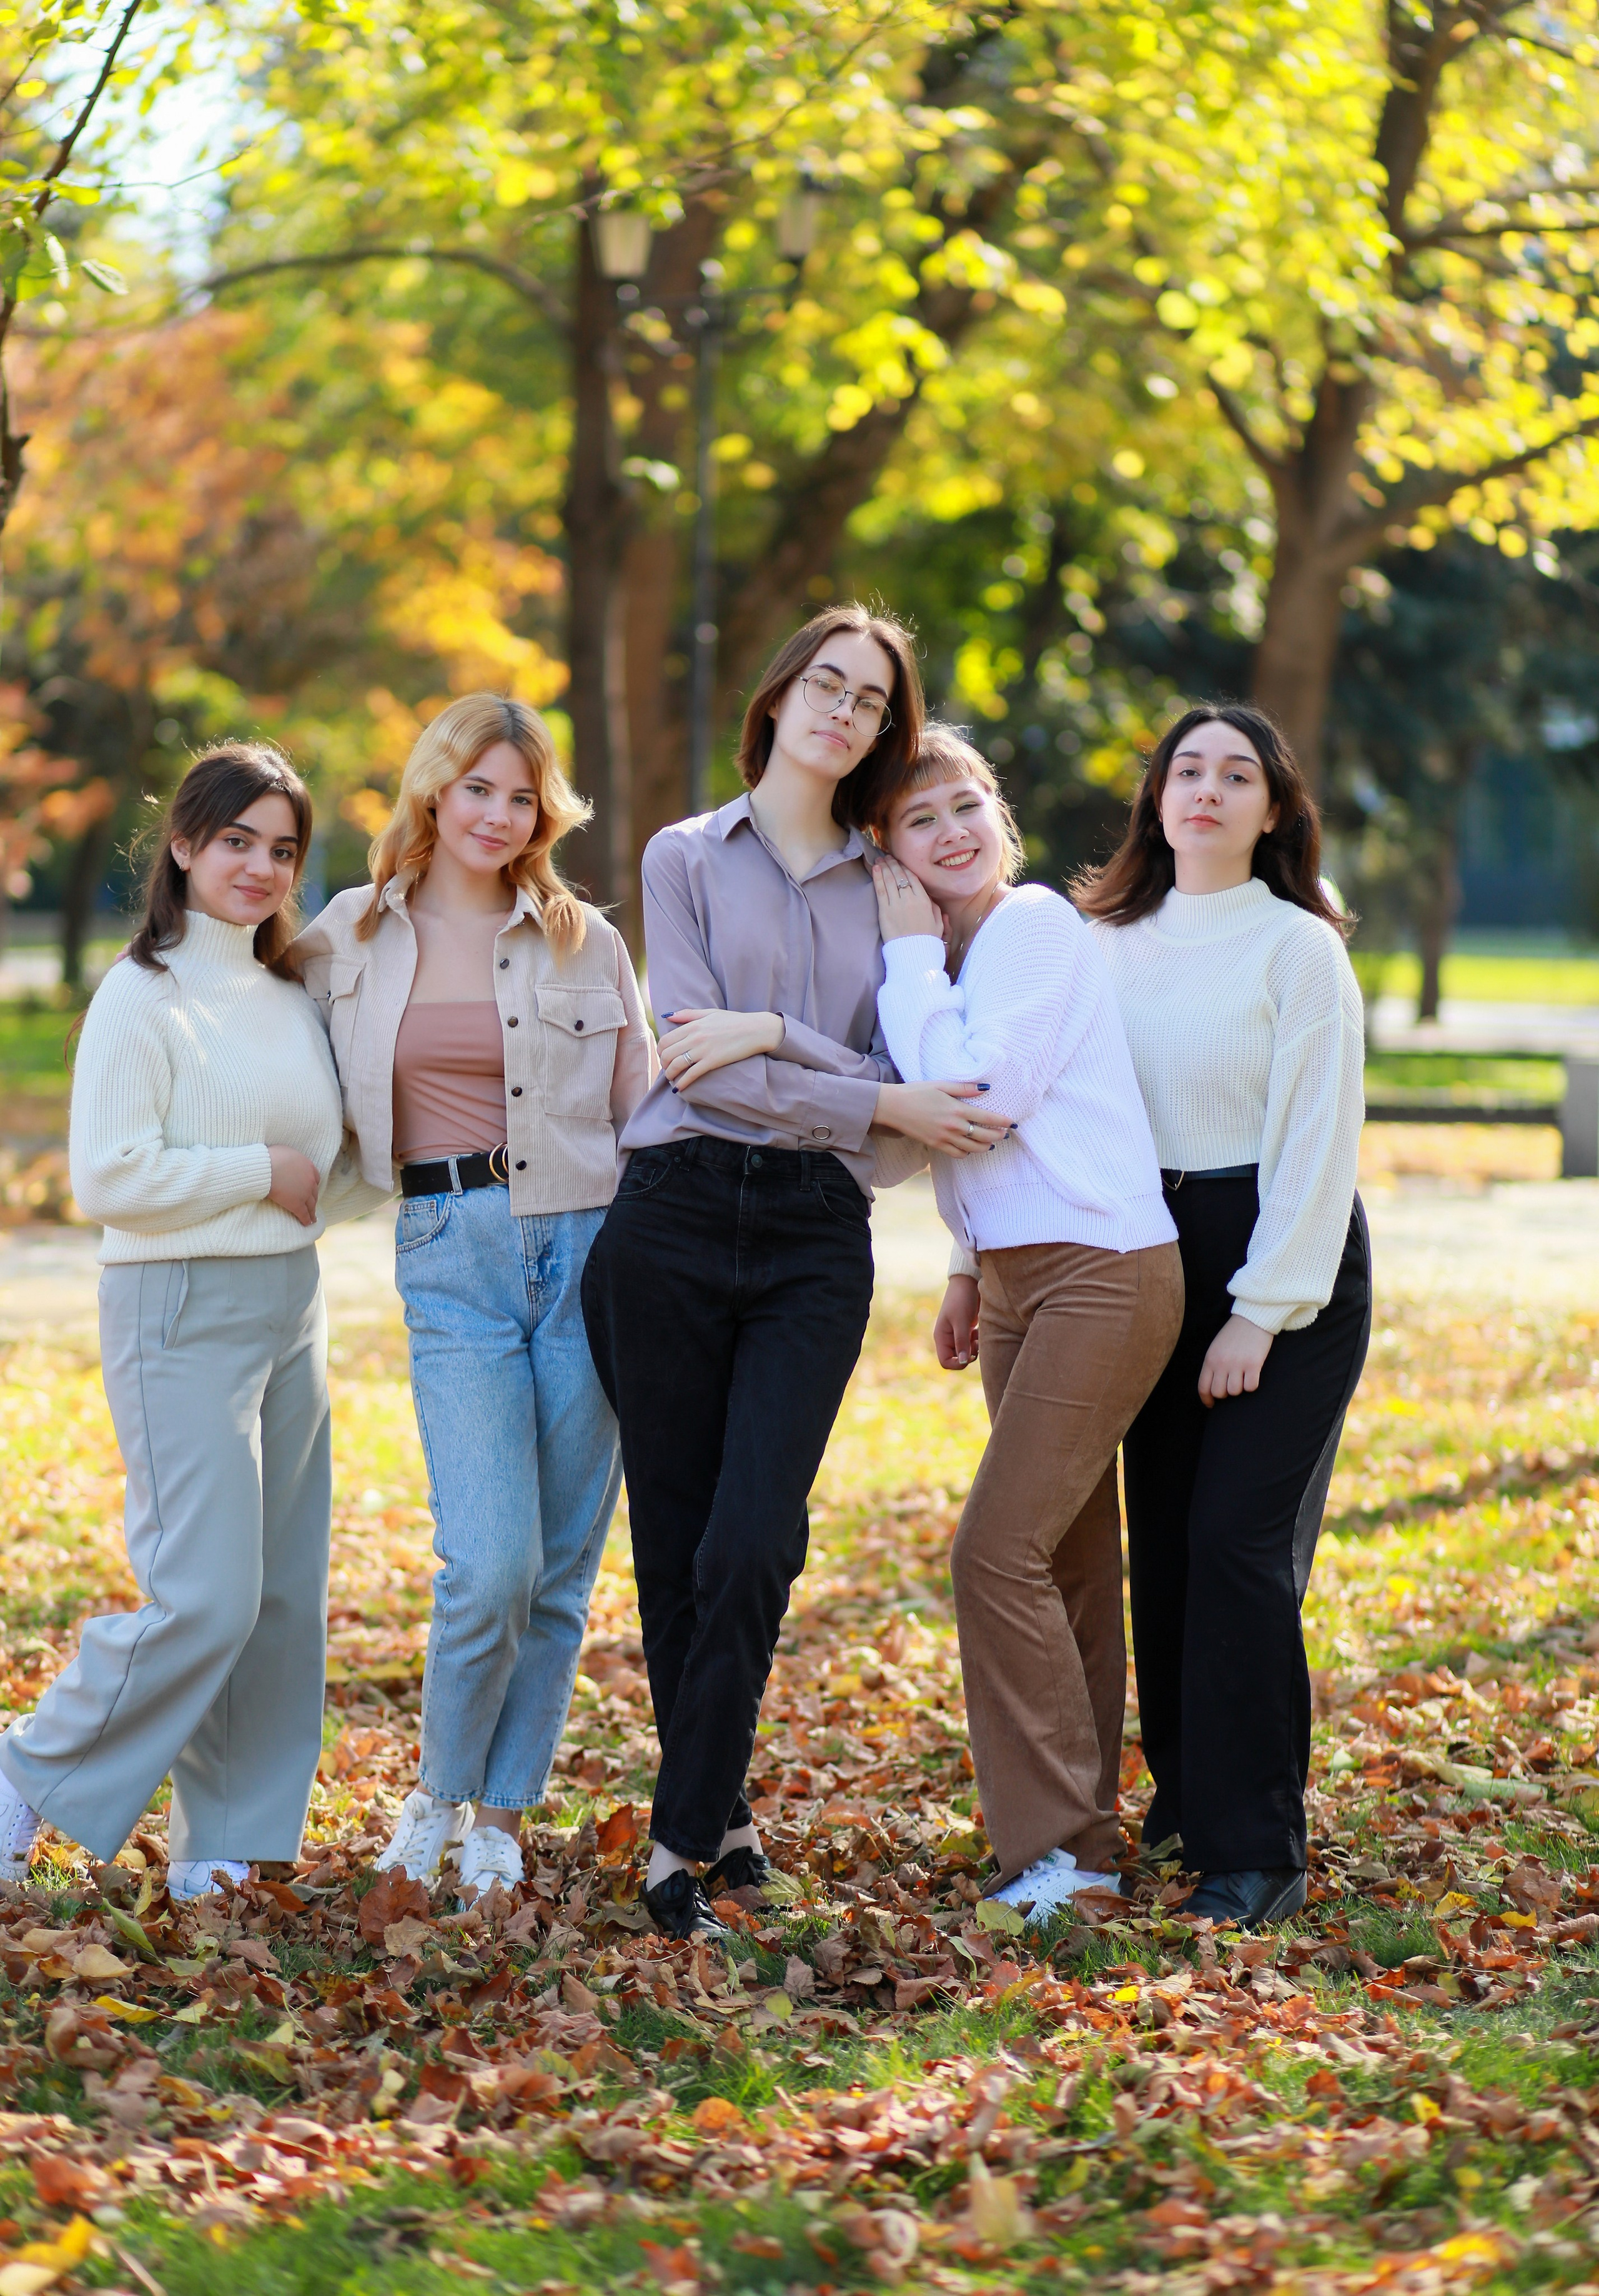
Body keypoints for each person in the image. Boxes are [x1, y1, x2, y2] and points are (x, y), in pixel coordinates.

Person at [581, 605, 1012, 1941]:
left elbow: (917, 1079)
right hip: (666, 1213)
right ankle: (716, 1828)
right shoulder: (681, 856)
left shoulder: (897, 889)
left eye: (872, 700)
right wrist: (860, 1093)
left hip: (814, 1242)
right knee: (675, 1544)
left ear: (886, 726)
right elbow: (694, 1058)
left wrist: (784, 1045)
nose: (844, 711)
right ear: (778, 696)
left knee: (754, 1534)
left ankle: (676, 1831)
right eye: (826, 683)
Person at [0, 744, 383, 1899]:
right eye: (237, 843)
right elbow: (108, 1179)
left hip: (290, 1306)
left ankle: (232, 1842)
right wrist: (254, 1167)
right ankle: (25, 1774)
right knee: (205, 1594)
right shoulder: (142, 992)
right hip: (176, 1307)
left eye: (282, 850)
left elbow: (320, 1175)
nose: (260, 868)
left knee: (276, 1599)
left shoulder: (286, 996)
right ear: (183, 846)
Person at [295, 694, 654, 1900]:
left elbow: (645, 1112)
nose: (500, 816)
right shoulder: (346, 933)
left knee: (558, 1565)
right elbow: (257, 1037)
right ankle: (439, 1793)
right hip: (449, 1249)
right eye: (479, 790)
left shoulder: (584, 941)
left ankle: (500, 1818)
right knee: (487, 1561)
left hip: (592, 1249)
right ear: (435, 793)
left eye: (523, 796)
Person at [867, 723, 1183, 1918]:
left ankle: (1061, 1853)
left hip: (1106, 1267)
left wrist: (906, 960)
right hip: (1015, 1277)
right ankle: (1084, 1843)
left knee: (991, 1550)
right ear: (888, 848)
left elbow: (984, 1103)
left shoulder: (1033, 925)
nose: (951, 833)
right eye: (918, 819)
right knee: (1062, 1559)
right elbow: (985, 1140)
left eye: (965, 807)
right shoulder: (957, 952)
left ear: (999, 814)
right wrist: (964, 1268)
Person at [1077, 702, 1370, 1931]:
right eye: (1183, 768)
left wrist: (1258, 1312)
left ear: (1271, 807)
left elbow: (1317, 1145)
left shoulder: (1298, 948)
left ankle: (1257, 1852)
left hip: (1283, 1263)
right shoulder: (1098, 939)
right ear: (1154, 797)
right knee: (1167, 1550)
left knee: (1236, 1548)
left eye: (1233, 772)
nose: (1203, 788)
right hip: (1150, 1258)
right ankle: (1189, 1800)